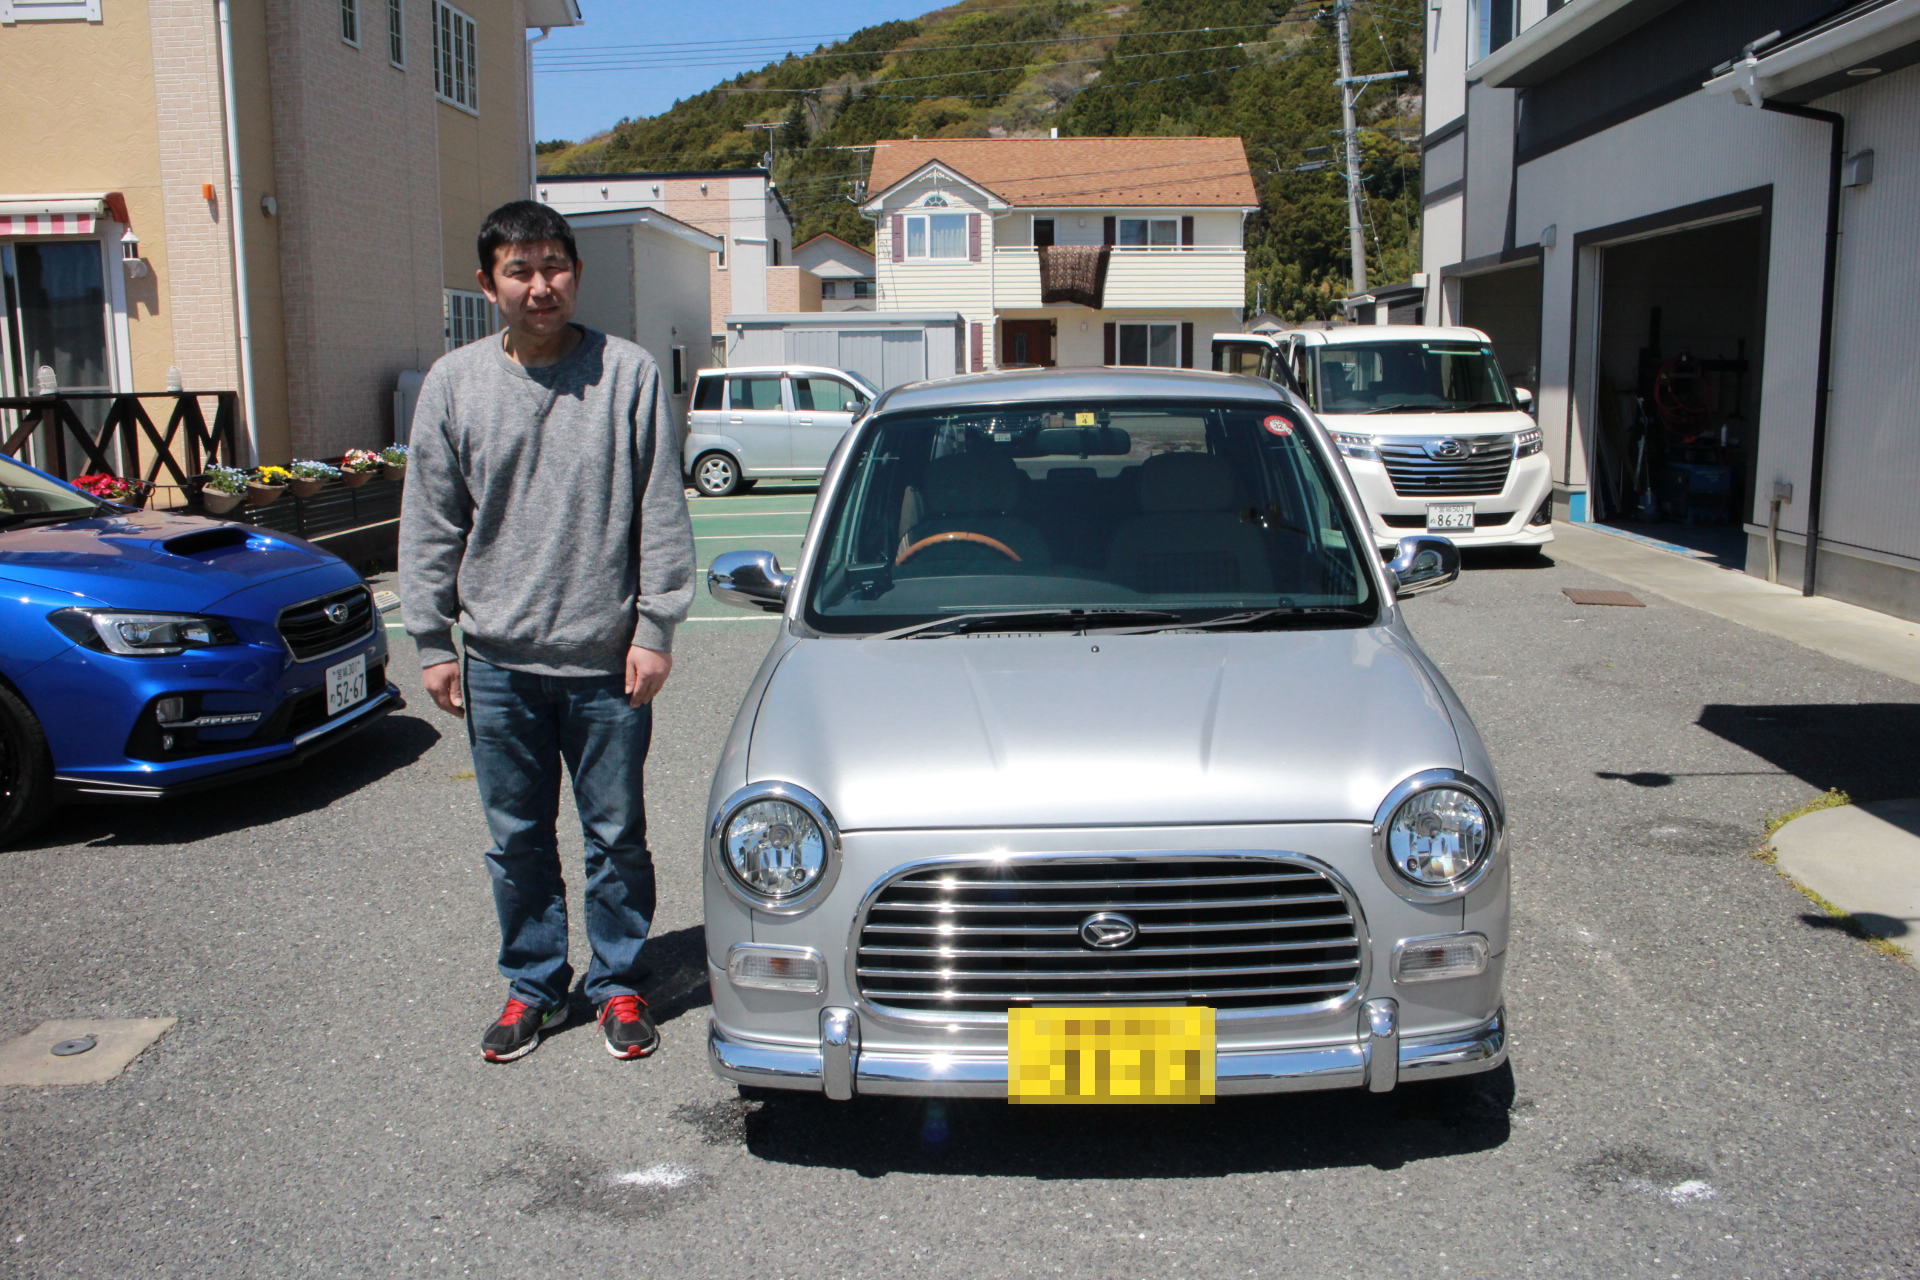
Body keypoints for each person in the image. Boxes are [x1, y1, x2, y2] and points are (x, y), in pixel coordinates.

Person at [399, 200, 694, 1064]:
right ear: (489, 284)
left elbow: (659, 509)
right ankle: (532, 984)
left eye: (554, 266)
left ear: (576, 271)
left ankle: (619, 981)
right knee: (517, 839)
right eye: (520, 271)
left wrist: (656, 627)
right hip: (497, 662)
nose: (541, 286)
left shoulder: (628, 374)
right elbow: (430, 521)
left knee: (616, 836)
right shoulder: (454, 385)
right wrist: (429, 640)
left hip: (607, 661)